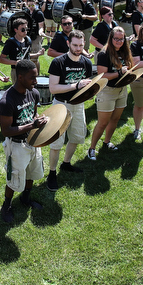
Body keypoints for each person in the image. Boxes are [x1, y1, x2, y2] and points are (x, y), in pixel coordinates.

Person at [0, 59, 47, 223]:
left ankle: (26, 198)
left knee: (32, 172)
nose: (36, 81)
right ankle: (6, 206)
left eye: (36, 77)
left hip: (33, 141)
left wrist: (38, 121)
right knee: (14, 178)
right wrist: (31, 125)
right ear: (20, 78)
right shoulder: (7, 101)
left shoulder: (34, 93)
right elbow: (6, 131)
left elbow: (33, 115)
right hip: (17, 145)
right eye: (32, 78)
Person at [46, 30, 93, 191]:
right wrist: (75, 85)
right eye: (75, 45)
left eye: (81, 45)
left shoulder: (86, 63)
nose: (78, 48)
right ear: (68, 43)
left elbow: (87, 86)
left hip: (78, 105)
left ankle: (66, 163)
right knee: (57, 142)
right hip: (61, 105)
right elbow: (53, 88)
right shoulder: (58, 62)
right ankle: (52, 172)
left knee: (77, 136)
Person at [88, 26, 132, 158]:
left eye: (121, 39)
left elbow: (129, 67)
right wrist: (119, 72)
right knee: (102, 123)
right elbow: (102, 75)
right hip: (107, 91)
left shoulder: (124, 51)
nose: (119, 41)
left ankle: (107, 142)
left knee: (116, 119)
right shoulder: (104, 53)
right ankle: (92, 148)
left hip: (122, 89)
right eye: (116, 39)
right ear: (111, 38)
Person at [0, 18, 43, 83]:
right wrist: (15, 62)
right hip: (17, 71)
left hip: (28, 70)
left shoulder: (28, 40)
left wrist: (38, 54)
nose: (25, 31)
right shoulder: (10, 43)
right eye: (23, 30)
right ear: (15, 30)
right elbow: (1, 59)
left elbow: (26, 55)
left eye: (27, 29)